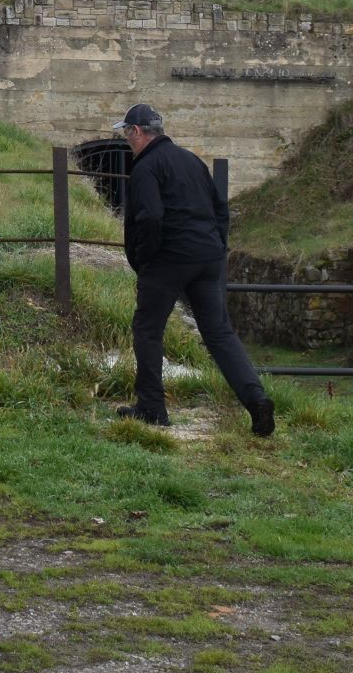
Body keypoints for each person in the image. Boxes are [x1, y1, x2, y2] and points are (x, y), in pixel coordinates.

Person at [112, 104, 274, 436]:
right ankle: (256, 399)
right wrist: (218, 246)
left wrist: (145, 261)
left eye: (127, 133)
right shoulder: (191, 160)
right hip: (208, 258)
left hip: (168, 260)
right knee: (219, 333)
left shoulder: (146, 167)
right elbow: (220, 208)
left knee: (147, 330)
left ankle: (152, 409)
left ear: (139, 132)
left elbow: (150, 218)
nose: (127, 140)